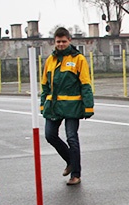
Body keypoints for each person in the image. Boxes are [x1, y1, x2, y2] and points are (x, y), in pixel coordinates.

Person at [40, 27, 94, 186]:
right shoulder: (50, 60)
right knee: (50, 135)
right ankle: (71, 161)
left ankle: (76, 174)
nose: (61, 44)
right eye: (58, 42)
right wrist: (43, 105)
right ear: (54, 42)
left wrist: (88, 106)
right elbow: (44, 85)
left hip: (72, 106)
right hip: (54, 106)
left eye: (64, 41)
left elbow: (85, 84)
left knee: (72, 137)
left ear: (69, 40)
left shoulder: (78, 59)